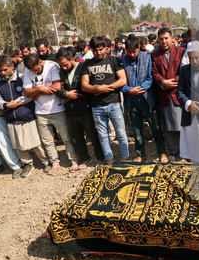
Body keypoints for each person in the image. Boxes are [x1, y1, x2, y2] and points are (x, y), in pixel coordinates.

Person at [23, 53, 78, 174]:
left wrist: (36, 93)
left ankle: (73, 160)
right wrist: (40, 89)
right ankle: (55, 162)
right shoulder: (27, 70)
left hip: (57, 109)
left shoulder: (51, 66)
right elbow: (26, 91)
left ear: (40, 62)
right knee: (47, 140)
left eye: (37, 69)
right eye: (32, 70)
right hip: (40, 111)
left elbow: (57, 86)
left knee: (66, 137)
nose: (35, 72)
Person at [0, 55, 49, 178]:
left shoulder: (23, 78)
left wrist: (16, 103)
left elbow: (29, 94)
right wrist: (7, 105)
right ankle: (27, 164)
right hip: (11, 119)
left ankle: (46, 161)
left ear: (12, 66)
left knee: (36, 143)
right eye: (0, 70)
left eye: (5, 69)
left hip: (27, 117)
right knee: (19, 145)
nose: (3, 73)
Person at [81, 36, 129, 165]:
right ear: (91, 49)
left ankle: (125, 158)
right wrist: (95, 88)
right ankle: (109, 159)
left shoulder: (114, 60)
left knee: (120, 132)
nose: (98, 52)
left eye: (101, 49)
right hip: (96, 106)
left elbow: (123, 80)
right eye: (95, 50)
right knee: (103, 135)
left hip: (114, 102)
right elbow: (84, 85)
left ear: (106, 48)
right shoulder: (87, 64)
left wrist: (106, 88)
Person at [55, 47, 105, 168]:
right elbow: (58, 88)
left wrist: (73, 93)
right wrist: (66, 94)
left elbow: (88, 87)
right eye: (61, 65)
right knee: (76, 137)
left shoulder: (83, 68)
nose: (64, 68)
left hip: (85, 108)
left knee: (93, 135)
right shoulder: (61, 72)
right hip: (70, 110)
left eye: (65, 64)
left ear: (72, 58)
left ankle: (100, 158)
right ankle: (84, 158)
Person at [121, 36, 168, 162]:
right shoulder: (122, 60)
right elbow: (120, 80)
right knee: (137, 130)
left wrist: (140, 89)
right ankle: (140, 154)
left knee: (155, 127)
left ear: (138, 48)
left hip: (147, 100)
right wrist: (128, 90)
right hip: (131, 101)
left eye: (134, 51)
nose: (131, 54)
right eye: (129, 52)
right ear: (125, 50)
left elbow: (151, 78)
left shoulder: (147, 58)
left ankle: (162, 152)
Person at [151, 28, 188, 161]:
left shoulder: (182, 52)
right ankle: (173, 151)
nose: (164, 41)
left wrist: (174, 81)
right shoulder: (154, 55)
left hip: (179, 94)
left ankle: (185, 152)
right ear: (158, 40)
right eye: (161, 39)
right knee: (168, 125)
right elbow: (154, 72)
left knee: (182, 125)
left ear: (172, 38)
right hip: (164, 94)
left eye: (166, 38)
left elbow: (185, 69)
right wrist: (163, 82)